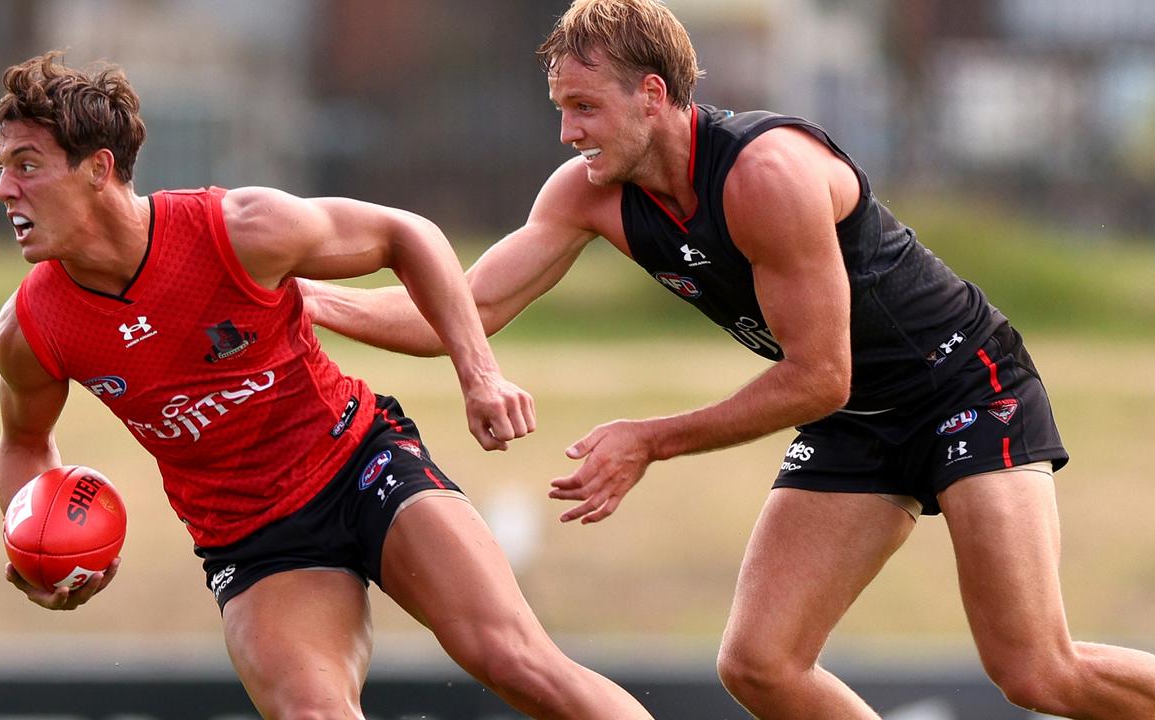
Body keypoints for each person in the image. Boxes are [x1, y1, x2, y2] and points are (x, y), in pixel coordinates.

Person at [303, 1, 1155, 717]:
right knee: (761, 666)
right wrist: (305, 300)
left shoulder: (766, 174)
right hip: (856, 417)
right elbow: (464, 312)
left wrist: (651, 438)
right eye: (560, 109)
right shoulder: (588, 197)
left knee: (1036, 670)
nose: (567, 133)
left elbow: (820, 373)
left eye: (586, 108)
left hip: (964, 388)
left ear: (652, 93)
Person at [0, 51, 653, 720]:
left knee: (516, 662)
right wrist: (35, 544)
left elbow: (406, 235)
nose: (5, 190)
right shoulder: (31, 327)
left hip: (363, 464)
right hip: (254, 541)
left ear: (99, 169)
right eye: (3, 168)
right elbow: (24, 442)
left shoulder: (237, 231)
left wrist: (478, 374)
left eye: (27, 165)